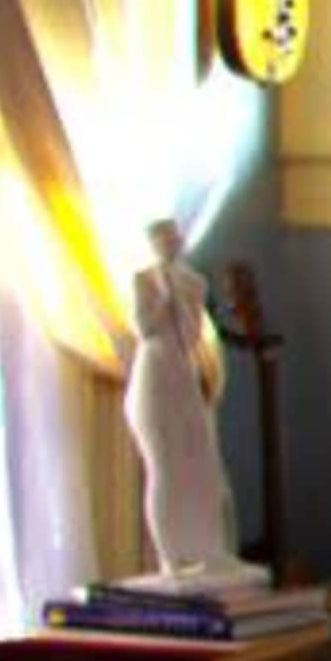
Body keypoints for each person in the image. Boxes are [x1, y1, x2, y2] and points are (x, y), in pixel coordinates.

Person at [122, 216, 238, 576]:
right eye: (161, 239)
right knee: (165, 466)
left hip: (181, 370)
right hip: (154, 372)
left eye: (172, 238)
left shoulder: (194, 282)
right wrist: (165, 297)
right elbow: (146, 328)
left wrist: (183, 300)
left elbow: (189, 335)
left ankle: (207, 546)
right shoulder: (143, 280)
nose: (168, 245)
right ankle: (170, 554)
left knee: (200, 462)